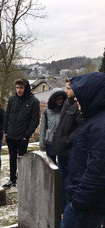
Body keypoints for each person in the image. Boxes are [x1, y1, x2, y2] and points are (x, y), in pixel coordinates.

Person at [60, 72, 105, 228]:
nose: (75, 98)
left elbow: (98, 171)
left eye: (80, 94)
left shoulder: (100, 126)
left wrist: (78, 202)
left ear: (92, 95)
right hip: (86, 204)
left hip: (85, 208)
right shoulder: (94, 120)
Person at [51, 78, 83, 208]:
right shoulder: (67, 103)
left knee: (70, 180)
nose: (66, 91)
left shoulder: (79, 105)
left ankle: (68, 205)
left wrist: (67, 140)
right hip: (61, 149)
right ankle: (62, 204)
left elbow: (80, 128)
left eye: (69, 88)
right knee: (63, 178)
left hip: (70, 150)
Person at [3, 79, 40, 188]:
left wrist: (26, 135)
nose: (19, 90)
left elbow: (34, 121)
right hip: (10, 135)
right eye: (17, 88)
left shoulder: (33, 101)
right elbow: (7, 116)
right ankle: (12, 180)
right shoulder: (12, 99)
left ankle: (23, 179)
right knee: (12, 158)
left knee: (22, 159)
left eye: (21, 88)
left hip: (22, 137)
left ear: (26, 88)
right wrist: (5, 131)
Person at [39, 88, 67, 163]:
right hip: (50, 142)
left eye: (61, 99)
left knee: (62, 165)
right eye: (57, 99)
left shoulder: (66, 110)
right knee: (51, 164)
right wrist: (42, 144)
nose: (60, 101)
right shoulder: (47, 111)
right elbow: (43, 128)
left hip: (62, 142)